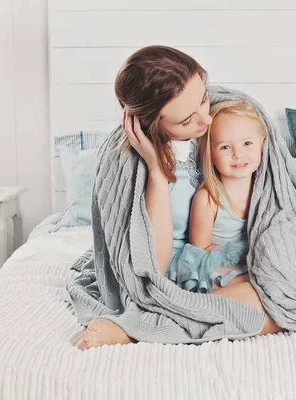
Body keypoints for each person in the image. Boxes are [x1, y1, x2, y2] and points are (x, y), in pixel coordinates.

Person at [82, 46, 282, 349]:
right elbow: (155, 269)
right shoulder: (130, 165)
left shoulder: (221, 117)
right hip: (178, 273)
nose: (206, 119)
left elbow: (276, 185)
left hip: (224, 263)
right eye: (188, 120)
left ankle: (169, 322)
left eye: (203, 98)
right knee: (267, 309)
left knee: (287, 295)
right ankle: (139, 328)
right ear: (152, 125)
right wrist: (157, 174)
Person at [189, 100, 268, 288]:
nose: (238, 154)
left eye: (247, 143)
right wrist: (242, 261)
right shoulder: (208, 199)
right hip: (219, 271)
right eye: (225, 147)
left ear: (262, 144)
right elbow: (199, 252)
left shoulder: (267, 192)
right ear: (210, 153)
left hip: (258, 266)